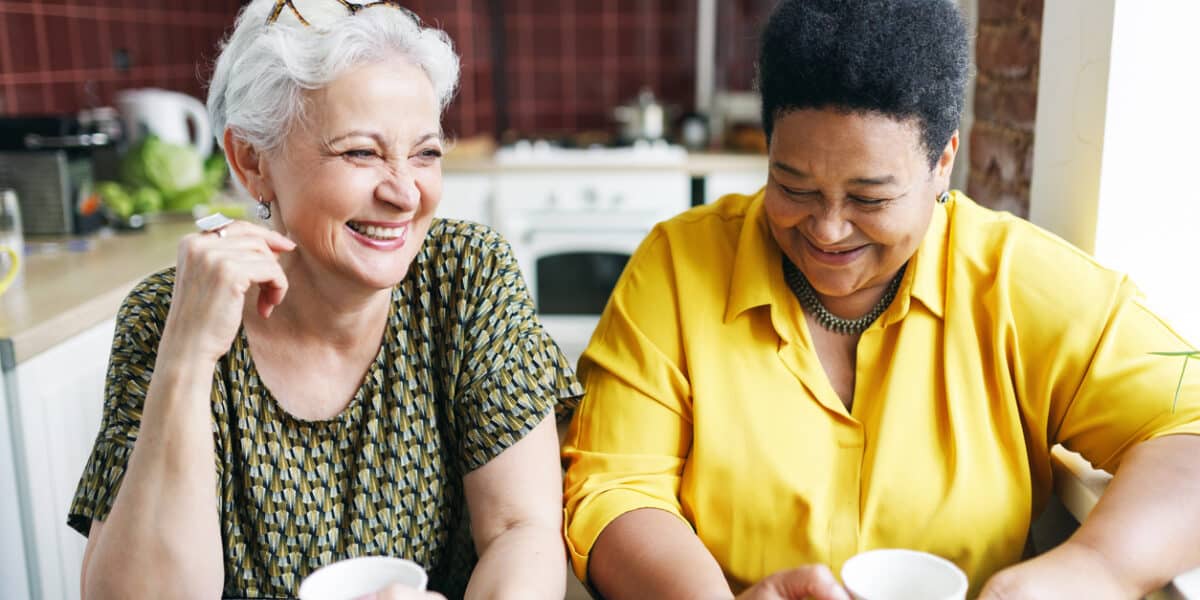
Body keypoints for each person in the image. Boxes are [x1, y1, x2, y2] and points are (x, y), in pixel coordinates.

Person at [561, 0, 1200, 598]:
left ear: (944, 161)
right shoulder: (677, 266)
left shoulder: (1014, 280)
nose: (828, 229)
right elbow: (616, 488)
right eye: (794, 186)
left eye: (870, 198)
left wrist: (1095, 569)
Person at [68, 1, 581, 598]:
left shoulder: (465, 276)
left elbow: (524, 530)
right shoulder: (168, 313)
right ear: (251, 160)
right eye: (360, 152)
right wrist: (186, 357)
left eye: (425, 153)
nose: (404, 193)